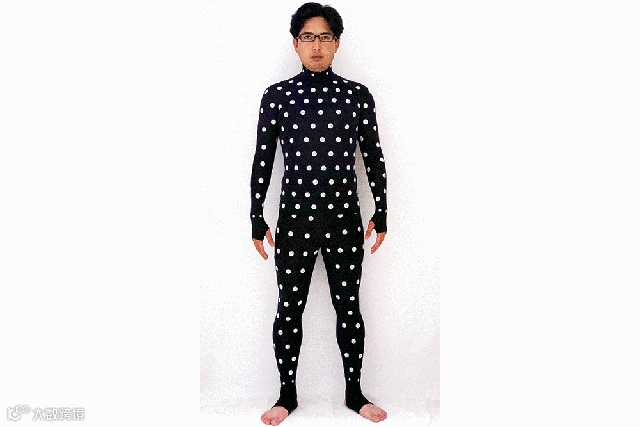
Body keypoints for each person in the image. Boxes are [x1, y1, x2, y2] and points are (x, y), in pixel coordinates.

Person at [250, 3, 389, 425]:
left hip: (344, 219)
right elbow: (263, 160)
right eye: (308, 37)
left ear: (337, 43)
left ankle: (354, 393)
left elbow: (373, 156)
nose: (316, 46)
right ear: (295, 44)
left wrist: (381, 211)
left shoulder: (357, 95)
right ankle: (286, 395)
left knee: (349, 307)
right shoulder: (277, 96)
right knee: (288, 308)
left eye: (325, 37)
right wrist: (256, 217)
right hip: (294, 221)